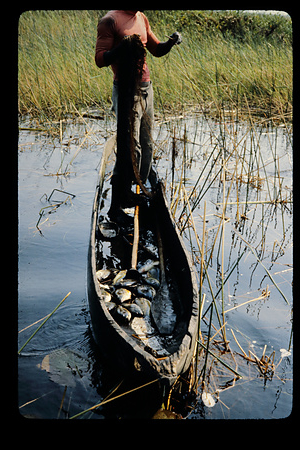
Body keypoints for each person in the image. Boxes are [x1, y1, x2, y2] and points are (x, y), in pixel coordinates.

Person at [95, 10, 182, 222]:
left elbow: (155, 49)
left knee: (147, 144)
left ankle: (135, 191)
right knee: (129, 147)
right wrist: (122, 47)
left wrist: (171, 41)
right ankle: (116, 207)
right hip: (126, 90)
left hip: (146, 88)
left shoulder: (141, 18)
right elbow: (99, 59)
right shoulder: (110, 21)